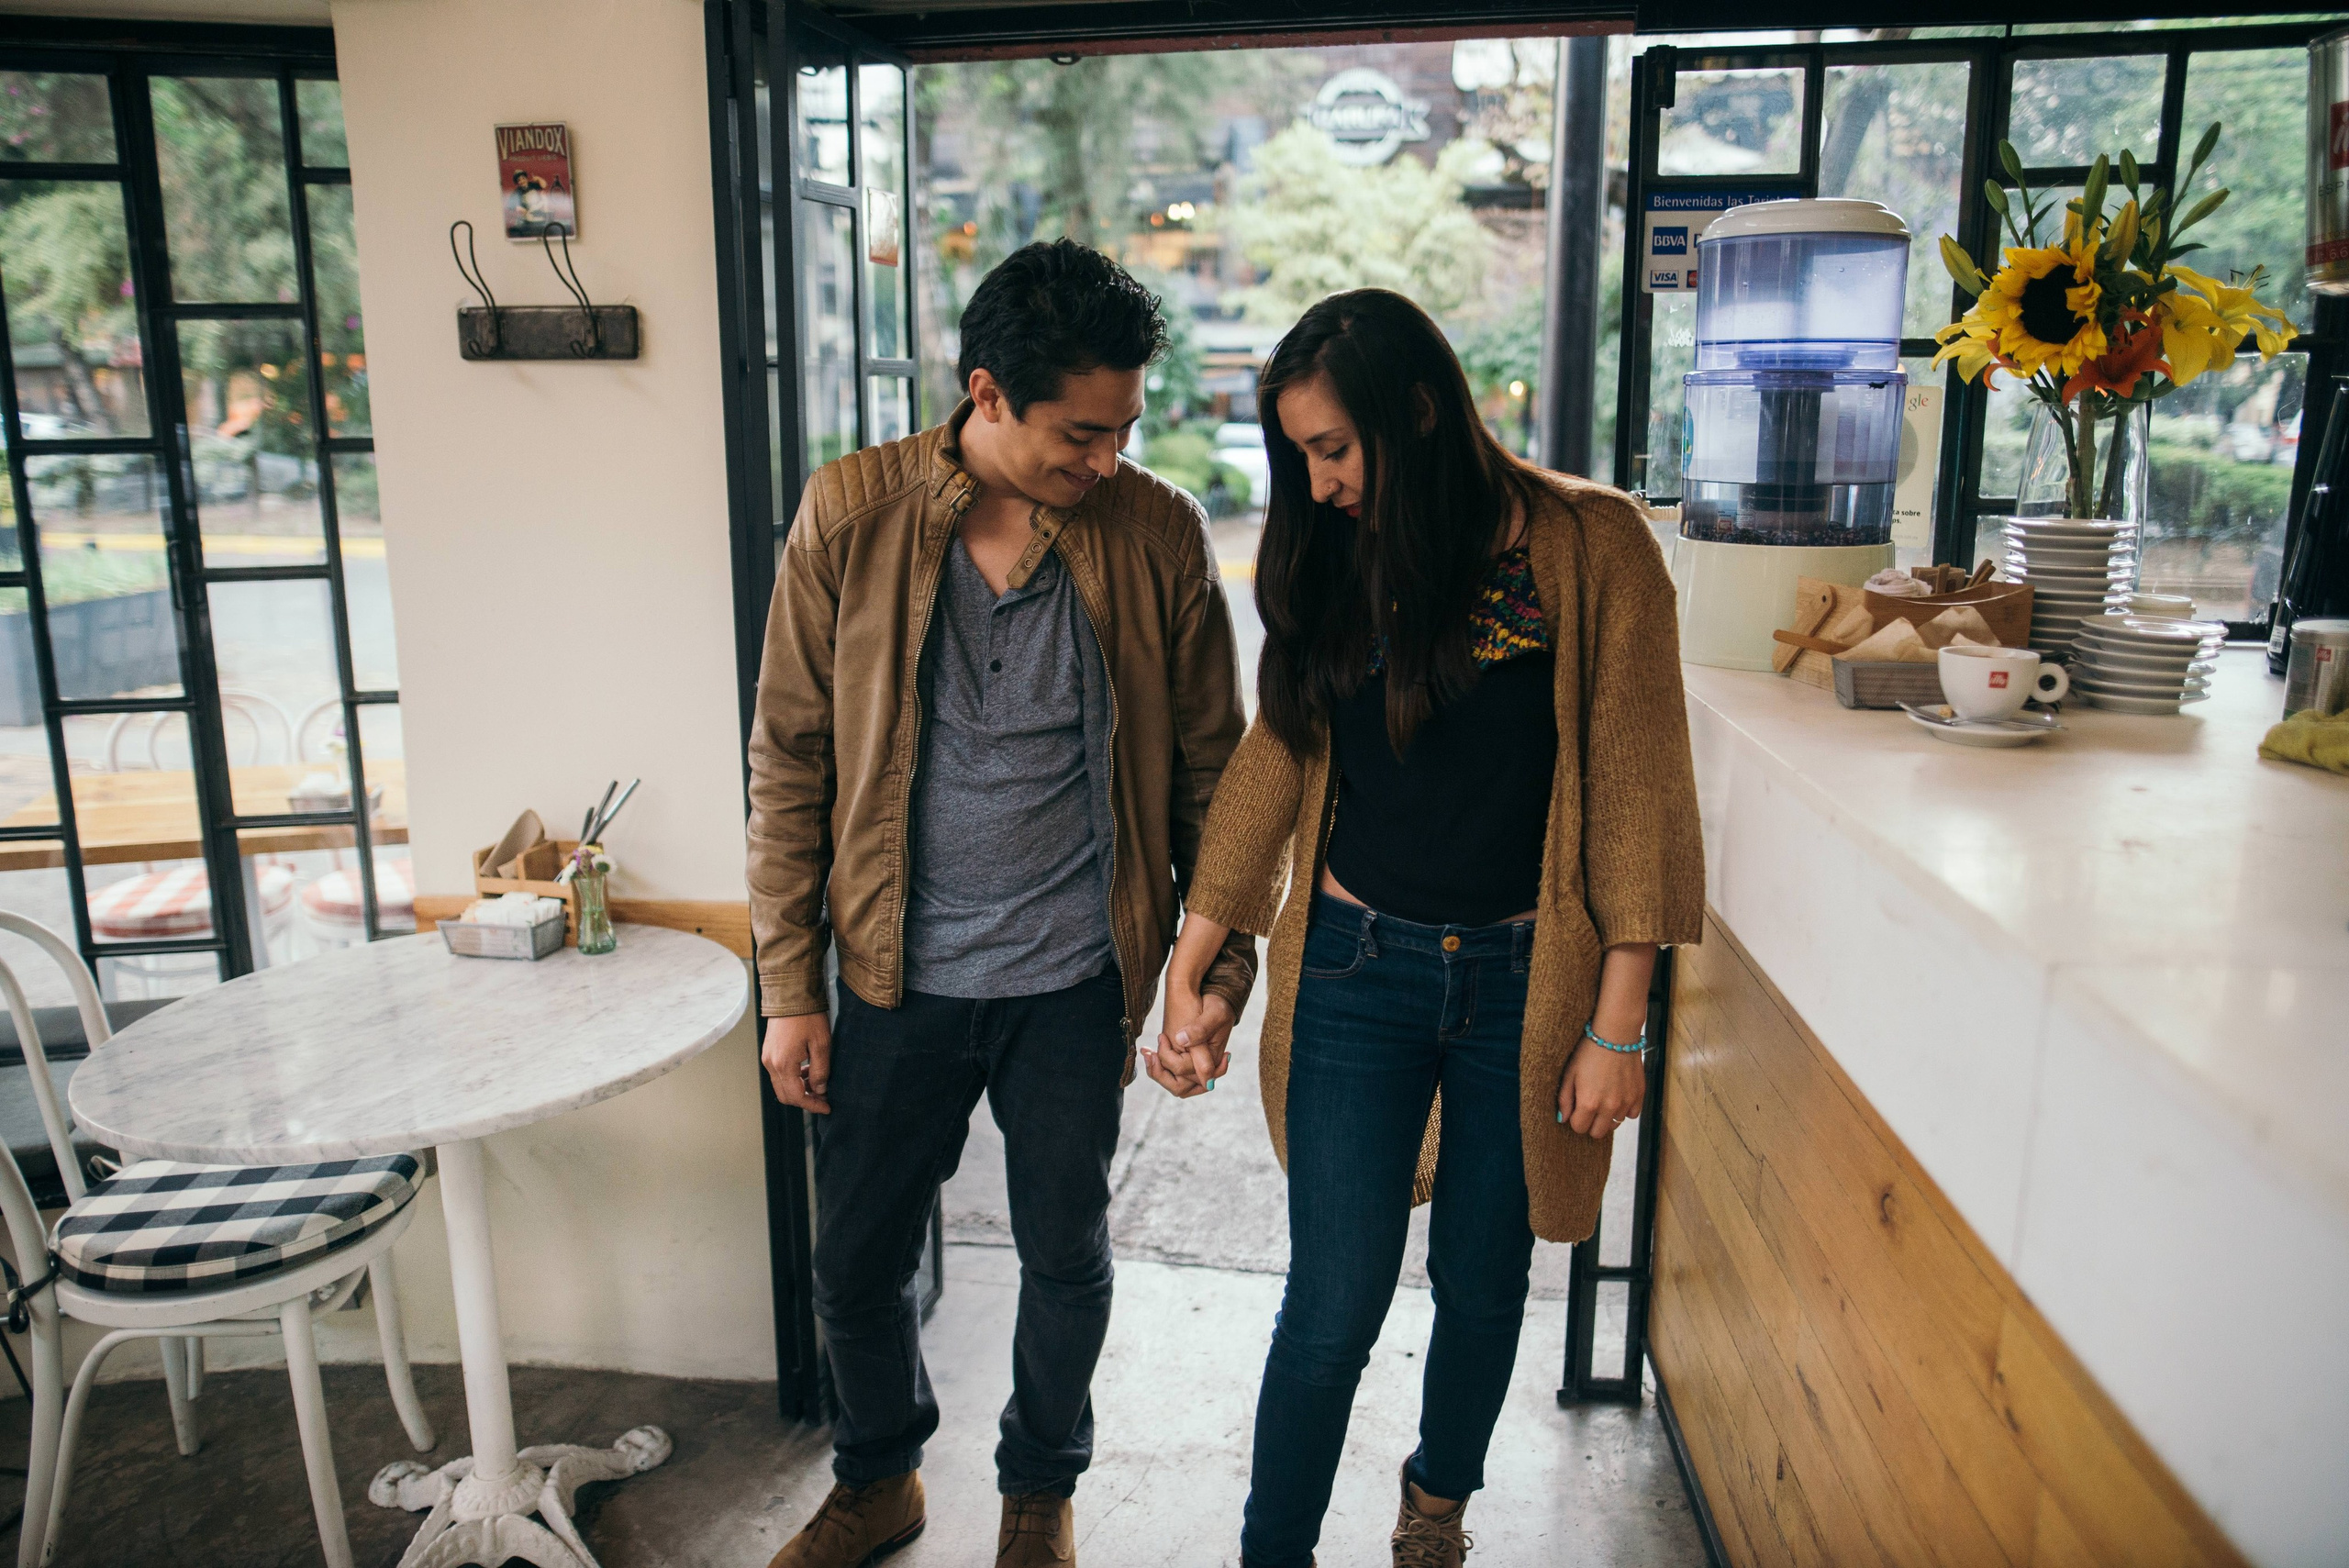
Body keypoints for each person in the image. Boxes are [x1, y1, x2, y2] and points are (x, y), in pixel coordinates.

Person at [1143, 288, 1703, 1568]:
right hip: (1354, 969)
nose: (1319, 481)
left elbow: (1639, 796)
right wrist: (1199, 952)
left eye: (1333, 449)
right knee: (1332, 1303)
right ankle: (1271, 1552)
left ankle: (1437, 1501)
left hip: (1528, 978)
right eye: (1299, 456)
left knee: (1486, 1284)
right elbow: (1278, 758)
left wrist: (1618, 1029)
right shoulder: (1338, 554)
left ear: (1420, 409)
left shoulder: (1591, 546)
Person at [746, 239, 1257, 1568]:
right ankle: (879, 1479)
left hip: (1072, 977)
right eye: (1078, 433)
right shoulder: (849, 516)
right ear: (986, 392)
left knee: (1064, 1253)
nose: (1105, 458)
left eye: (1123, 430)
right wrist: (790, 988)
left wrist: (1215, 972)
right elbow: (789, 759)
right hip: (889, 973)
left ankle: (1039, 1489)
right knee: (855, 1261)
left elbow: (1218, 772)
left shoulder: (1155, 533)